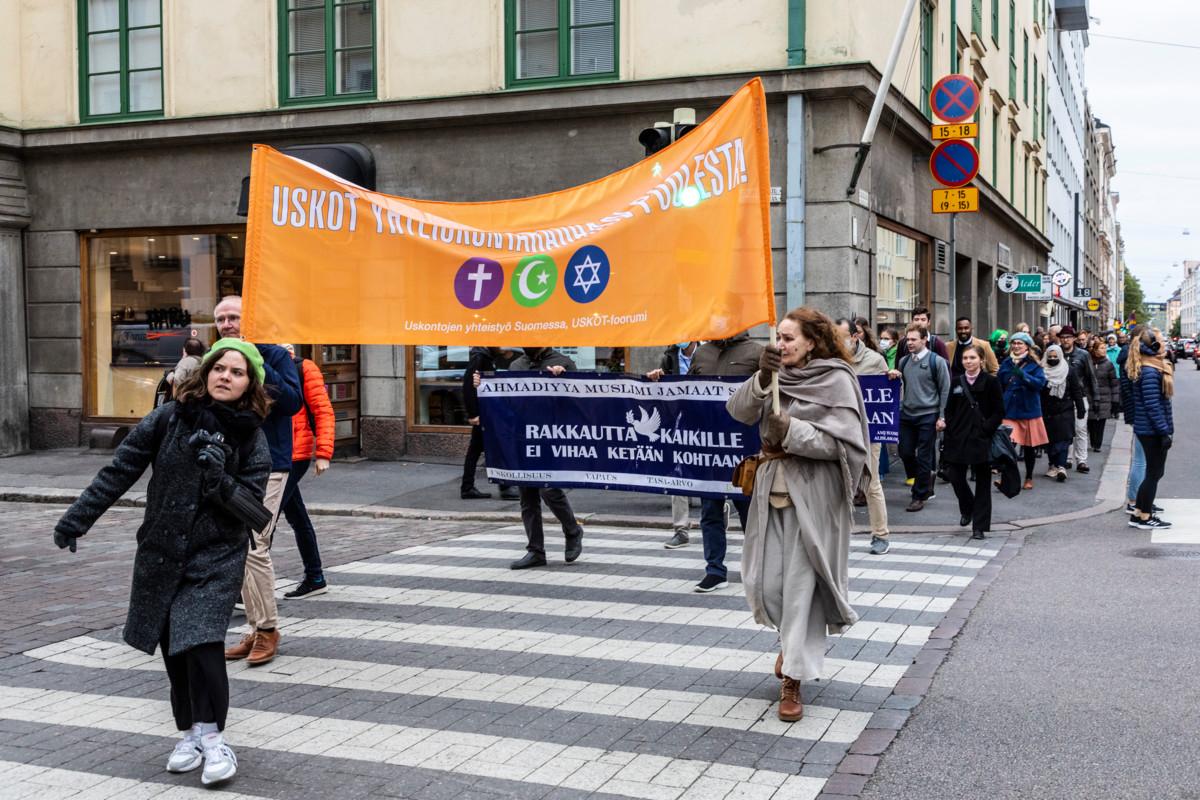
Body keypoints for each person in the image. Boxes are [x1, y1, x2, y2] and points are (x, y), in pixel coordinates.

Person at [53, 339, 273, 787]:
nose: (226, 376)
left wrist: (220, 481)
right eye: (219, 368)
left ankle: (214, 741)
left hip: (214, 558)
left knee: (203, 645)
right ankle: (189, 734)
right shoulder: (169, 418)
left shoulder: (252, 437)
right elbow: (120, 469)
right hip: (162, 553)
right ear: (206, 372)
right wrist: (77, 520)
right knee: (175, 649)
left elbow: (257, 513)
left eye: (237, 371)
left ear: (250, 384)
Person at [726, 307, 869, 723]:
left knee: (802, 591)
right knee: (768, 585)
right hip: (770, 492)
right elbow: (738, 411)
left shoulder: (837, 378)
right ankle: (789, 647)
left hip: (815, 498)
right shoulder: (773, 374)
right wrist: (759, 378)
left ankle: (793, 680)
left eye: (790, 339)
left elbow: (842, 447)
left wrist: (789, 429)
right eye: (779, 338)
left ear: (812, 340)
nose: (782, 345)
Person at [213, 297, 302, 667]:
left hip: (270, 464)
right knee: (239, 546)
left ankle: (267, 629)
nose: (228, 324)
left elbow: (292, 402)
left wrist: (260, 359)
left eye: (234, 317)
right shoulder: (216, 357)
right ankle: (254, 628)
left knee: (254, 546)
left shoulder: (273, 355)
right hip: (231, 463)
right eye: (221, 319)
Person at [687, 333, 762, 591]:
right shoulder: (702, 352)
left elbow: (770, 392)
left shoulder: (756, 352)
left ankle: (759, 567)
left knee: (749, 513)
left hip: (744, 446)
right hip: (709, 447)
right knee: (710, 511)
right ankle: (715, 570)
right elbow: (687, 393)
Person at [506, 347, 586, 569]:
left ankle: (572, 529)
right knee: (527, 495)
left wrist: (563, 380)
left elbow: (578, 399)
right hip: (523, 435)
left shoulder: (563, 362)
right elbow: (506, 399)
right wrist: (481, 385)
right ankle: (535, 550)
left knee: (548, 488)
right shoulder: (517, 365)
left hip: (551, 435)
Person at [277, 344, 335, 599]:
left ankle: (243, 588)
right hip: (275, 452)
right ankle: (315, 576)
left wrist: (323, 453)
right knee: (297, 516)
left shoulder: (303, 367)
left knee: (263, 520)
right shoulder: (257, 363)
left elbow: (322, 410)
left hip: (294, 454)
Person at [836, 318, 891, 555]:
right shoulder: (831, 360)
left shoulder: (875, 360)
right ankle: (836, 534)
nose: (837, 342)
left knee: (871, 483)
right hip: (839, 431)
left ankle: (880, 535)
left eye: (841, 337)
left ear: (855, 337)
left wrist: (893, 378)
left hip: (869, 431)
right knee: (836, 484)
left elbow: (888, 394)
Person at [942, 344, 1004, 539]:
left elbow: (999, 411)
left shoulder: (991, 382)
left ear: (981, 360)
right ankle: (968, 507)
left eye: (972, 358)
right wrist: (950, 427)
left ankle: (980, 526)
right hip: (958, 438)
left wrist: (986, 429)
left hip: (981, 439)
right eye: (965, 358)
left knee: (983, 483)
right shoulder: (956, 382)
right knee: (955, 476)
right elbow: (949, 409)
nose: (968, 361)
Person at [888, 324, 949, 512]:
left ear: (924, 340)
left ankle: (919, 495)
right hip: (907, 414)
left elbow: (945, 390)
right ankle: (925, 477)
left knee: (924, 456)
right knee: (905, 452)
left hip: (928, 415)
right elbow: (901, 385)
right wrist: (893, 375)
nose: (909, 342)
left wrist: (942, 417)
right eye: (907, 339)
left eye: (914, 339)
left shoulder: (936, 362)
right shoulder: (904, 361)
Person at [646, 342, 701, 548]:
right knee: (677, 473)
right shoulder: (669, 356)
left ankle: (717, 513)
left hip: (705, 421)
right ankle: (681, 529)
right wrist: (656, 378)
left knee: (710, 470)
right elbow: (664, 389)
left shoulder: (708, 353)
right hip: (679, 421)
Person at [1127, 329, 1174, 530]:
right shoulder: (1150, 371)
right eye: (1162, 341)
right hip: (1152, 430)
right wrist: (1163, 431)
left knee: (1152, 472)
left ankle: (1138, 513)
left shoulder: (1148, 367)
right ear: (1153, 346)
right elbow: (1152, 405)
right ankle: (1146, 517)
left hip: (1148, 428)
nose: (1164, 344)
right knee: (1154, 473)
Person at [461, 346, 518, 500]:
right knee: (494, 445)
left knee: (477, 449)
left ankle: (468, 487)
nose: (504, 347)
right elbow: (468, 385)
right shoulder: (480, 358)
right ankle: (504, 486)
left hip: (485, 411)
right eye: (501, 344)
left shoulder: (484, 357)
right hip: (483, 412)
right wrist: (473, 414)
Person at [997, 332, 1048, 491]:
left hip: (1028, 409)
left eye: (1020, 343)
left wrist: (1023, 375)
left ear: (1027, 346)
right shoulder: (1006, 362)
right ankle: (1007, 478)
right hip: (1010, 409)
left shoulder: (1034, 364)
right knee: (1007, 445)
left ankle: (1029, 477)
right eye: (1014, 343)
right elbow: (1000, 382)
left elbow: (1040, 384)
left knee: (1029, 447)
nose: (1016, 346)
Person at [1039, 344, 1086, 483]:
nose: (1053, 359)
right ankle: (1052, 465)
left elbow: (1076, 390)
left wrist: (1081, 408)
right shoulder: (1042, 371)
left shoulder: (1069, 371)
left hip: (1065, 409)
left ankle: (1061, 466)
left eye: (1055, 357)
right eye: (1050, 357)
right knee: (1051, 441)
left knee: (1064, 440)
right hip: (1047, 411)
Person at [1058, 325, 1096, 474]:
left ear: (1074, 339)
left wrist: (1096, 398)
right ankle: (1067, 458)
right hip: (1061, 397)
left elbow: (1091, 376)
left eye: (1068, 337)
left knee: (1080, 429)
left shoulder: (1083, 354)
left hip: (1080, 396)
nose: (1065, 340)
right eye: (1063, 337)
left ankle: (1082, 460)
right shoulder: (1056, 352)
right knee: (1066, 430)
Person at [1086, 338, 1120, 453]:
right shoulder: (1088, 363)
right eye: (1101, 348)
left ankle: (1097, 444)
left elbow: (1114, 384)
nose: (1104, 350)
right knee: (1091, 421)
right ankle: (1093, 441)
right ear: (1095, 350)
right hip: (1090, 396)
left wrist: (1115, 401)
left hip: (1105, 397)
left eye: (1105, 348)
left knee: (1101, 422)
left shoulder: (1108, 364)